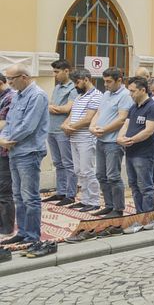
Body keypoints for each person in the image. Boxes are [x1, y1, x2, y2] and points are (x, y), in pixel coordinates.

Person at [0, 65, 48, 246]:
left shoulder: (37, 96)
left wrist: (7, 139)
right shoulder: (18, 95)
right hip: (14, 150)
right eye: (8, 78)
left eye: (12, 79)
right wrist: (3, 138)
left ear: (24, 77)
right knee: (18, 196)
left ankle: (32, 236)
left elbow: (28, 126)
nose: (9, 82)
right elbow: (10, 122)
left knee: (30, 197)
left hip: (29, 152)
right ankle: (22, 232)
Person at [89, 67, 133, 218]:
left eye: (109, 81)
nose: (106, 84)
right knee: (101, 175)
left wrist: (104, 130)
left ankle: (118, 208)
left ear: (119, 80)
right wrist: (92, 126)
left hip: (113, 142)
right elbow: (99, 112)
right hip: (101, 140)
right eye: (104, 81)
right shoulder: (106, 94)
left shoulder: (126, 95)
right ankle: (108, 205)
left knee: (113, 176)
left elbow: (122, 119)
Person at [117, 77, 154, 213]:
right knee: (134, 186)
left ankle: (148, 215)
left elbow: (149, 131)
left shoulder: (153, 107)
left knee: (145, 186)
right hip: (130, 152)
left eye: (133, 91)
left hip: (144, 153)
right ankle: (139, 214)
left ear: (143, 90)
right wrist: (120, 137)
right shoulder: (133, 107)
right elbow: (126, 124)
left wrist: (131, 140)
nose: (130, 94)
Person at [61, 70, 101, 212]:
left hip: (86, 138)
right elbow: (71, 115)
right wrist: (64, 125)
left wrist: (69, 127)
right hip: (74, 137)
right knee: (78, 170)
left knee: (87, 170)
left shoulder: (96, 96)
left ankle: (94, 201)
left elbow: (88, 119)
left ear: (86, 79)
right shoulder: (79, 97)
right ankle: (85, 200)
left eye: (77, 82)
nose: (75, 86)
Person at [44, 59, 77, 206]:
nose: (55, 74)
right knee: (58, 163)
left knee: (68, 163)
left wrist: (53, 107)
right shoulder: (57, 87)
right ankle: (61, 191)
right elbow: (54, 106)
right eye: (54, 72)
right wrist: (55, 107)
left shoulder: (73, 88)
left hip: (63, 130)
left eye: (57, 72)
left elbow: (67, 109)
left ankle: (70, 194)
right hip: (51, 129)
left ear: (66, 71)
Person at [0, 74, 15, 235]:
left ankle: (6, 228)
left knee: (4, 191)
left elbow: (5, 123)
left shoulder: (10, 98)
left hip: (5, 151)